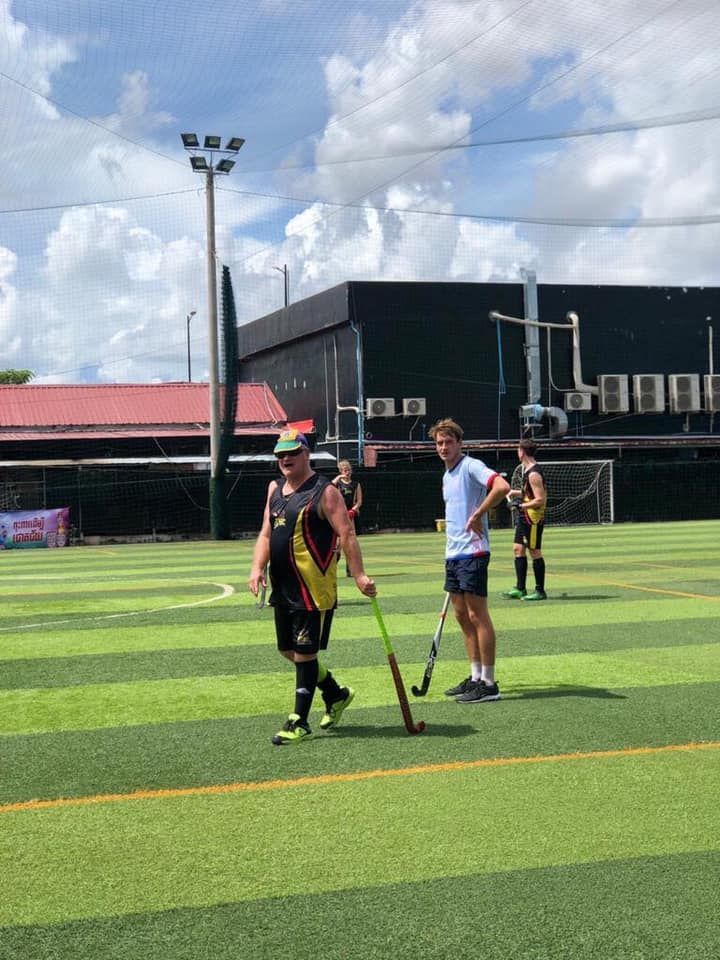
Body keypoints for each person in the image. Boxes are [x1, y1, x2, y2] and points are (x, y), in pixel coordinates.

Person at [248, 428, 377, 745]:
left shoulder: (324, 492)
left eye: (292, 452)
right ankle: (335, 694)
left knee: (305, 654)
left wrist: (358, 575)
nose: (285, 459)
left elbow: (346, 534)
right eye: (280, 454)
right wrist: (256, 567)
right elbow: (266, 533)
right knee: (288, 651)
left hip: (312, 588)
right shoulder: (274, 489)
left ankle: (298, 721)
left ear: (306, 453)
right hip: (283, 587)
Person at [428, 418, 510, 703]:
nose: (443, 447)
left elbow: (501, 486)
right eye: (439, 443)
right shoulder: (446, 475)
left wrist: (479, 514)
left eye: (449, 442)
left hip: (473, 552)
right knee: (461, 616)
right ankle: (475, 676)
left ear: (459, 443)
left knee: (478, 615)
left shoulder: (470, 466)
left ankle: (489, 683)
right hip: (453, 554)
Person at [502, 439, 548, 601]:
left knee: (534, 551)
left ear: (522, 451)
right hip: (525, 516)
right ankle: (520, 588)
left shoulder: (534, 473)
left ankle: (540, 591)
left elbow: (540, 500)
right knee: (517, 549)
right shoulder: (526, 470)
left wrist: (520, 506)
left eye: (518, 449)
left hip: (533, 518)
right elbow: (528, 494)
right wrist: (514, 492)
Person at [332, 459, 363, 574]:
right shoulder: (338, 484)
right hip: (339, 514)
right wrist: (339, 477)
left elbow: (359, 501)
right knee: (338, 543)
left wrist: (353, 511)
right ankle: (331, 567)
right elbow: (330, 485)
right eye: (345, 470)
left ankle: (350, 569)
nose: (347, 472)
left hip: (350, 515)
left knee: (350, 540)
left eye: (349, 470)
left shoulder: (356, 484)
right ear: (341, 471)